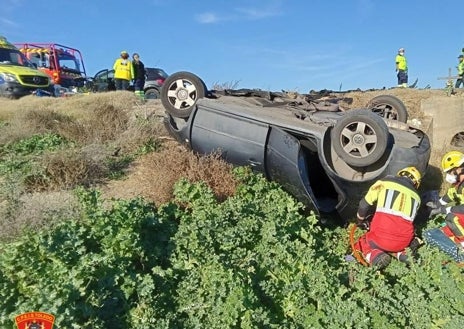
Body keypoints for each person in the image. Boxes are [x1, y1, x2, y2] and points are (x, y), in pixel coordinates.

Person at [352, 167, 422, 269]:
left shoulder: (384, 183)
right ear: (416, 184)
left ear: (400, 174)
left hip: (380, 239)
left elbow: (363, 205)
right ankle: (402, 253)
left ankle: (375, 255)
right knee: (399, 239)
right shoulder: (417, 197)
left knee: (363, 242)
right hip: (403, 242)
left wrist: (360, 221)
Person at [423, 151, 464, 263]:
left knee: (452, 218)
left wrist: (444, 210)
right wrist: (436, 205)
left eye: (450, 171)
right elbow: (448, 197)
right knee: (442, 232)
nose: (449, 175)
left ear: (459, 169)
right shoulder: (457, 185)